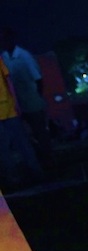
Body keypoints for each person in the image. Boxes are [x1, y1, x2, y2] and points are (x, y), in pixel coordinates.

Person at [0, 27, 52, 173]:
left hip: (30, 100)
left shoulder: (24, 56)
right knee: (24, 135)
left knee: (39, 132)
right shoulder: (4, 57)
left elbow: (38, 78)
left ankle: (47, 162)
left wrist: (37, 97)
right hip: (16, 102)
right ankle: (37, 163)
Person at [0, 56, 44, 192]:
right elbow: (8, 80)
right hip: (8, 106)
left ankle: (19, 177)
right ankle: (26, 176)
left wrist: (15, 102)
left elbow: (8, 80)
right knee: (15, 145)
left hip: (8, 107)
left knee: (9, 147)